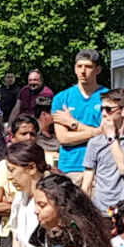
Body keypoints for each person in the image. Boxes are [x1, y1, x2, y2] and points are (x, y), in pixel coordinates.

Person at [52, 50, 113, 188]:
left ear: (98, 70)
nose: (83, 71)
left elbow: (107, 132)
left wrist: (72, 123)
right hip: (70, 166)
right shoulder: (61, 98)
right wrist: (95, 132)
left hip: (100, 167)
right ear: (74, 69)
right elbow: (63, 138)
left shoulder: (108, 97)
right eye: (79, 66)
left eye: (88, 66)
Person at [88, 90, 124, 214]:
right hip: (101, 211)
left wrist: (111, 138)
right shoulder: (95, 143)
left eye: (108, 109)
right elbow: (87, 182)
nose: (103, 113)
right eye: (101, 109)